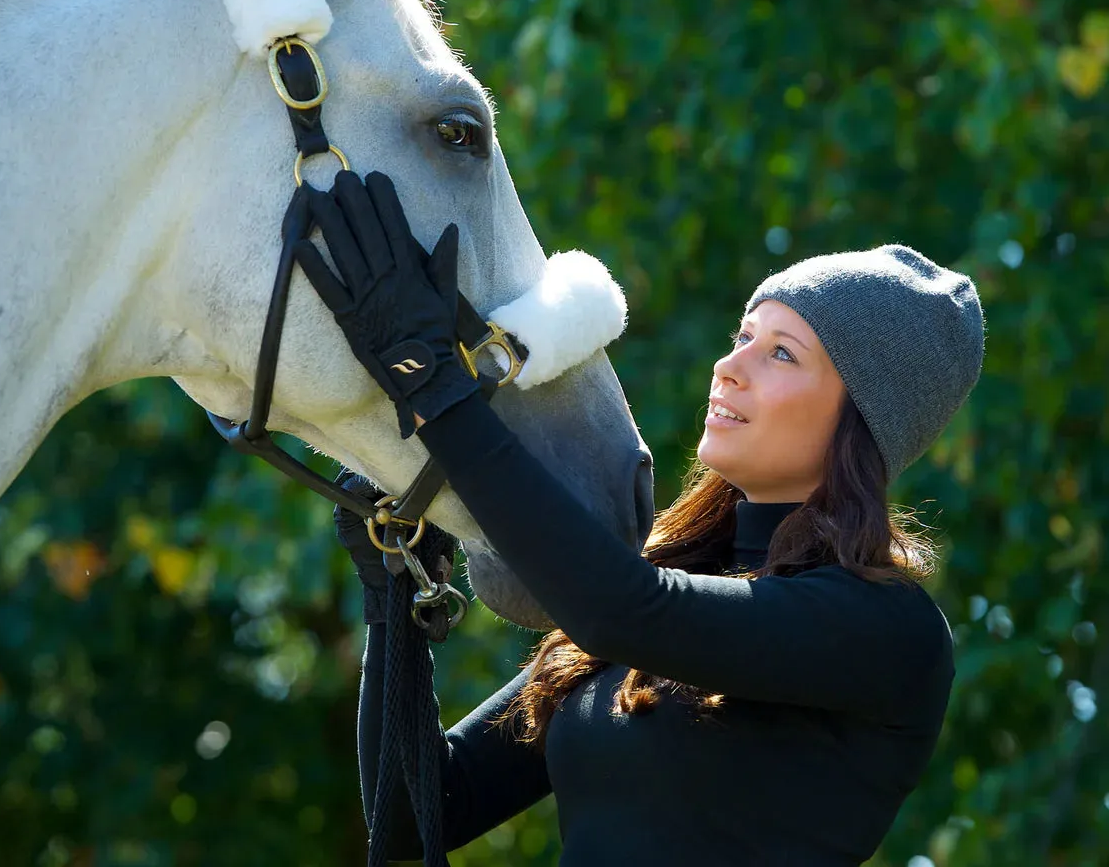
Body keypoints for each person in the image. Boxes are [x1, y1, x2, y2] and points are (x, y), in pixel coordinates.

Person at [295, 170, 986, 867]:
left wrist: (436, 390)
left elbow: (626, 610)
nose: (729, 366)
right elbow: (419, 814)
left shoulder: (887, 628)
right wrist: (393, 583)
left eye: (781, 353)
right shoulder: (659, 585)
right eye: (743, 334)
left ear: (861, 421)